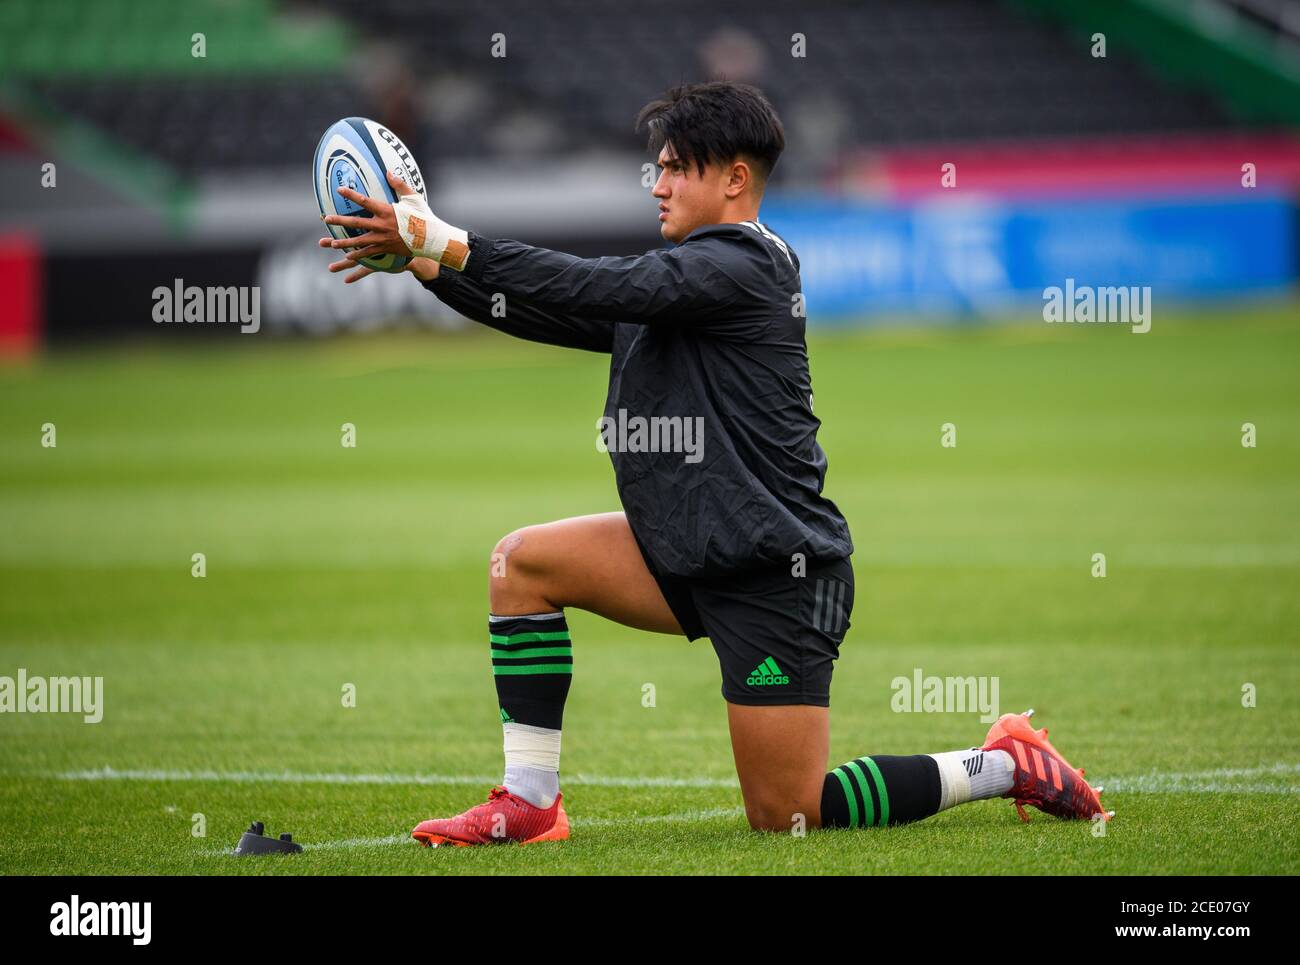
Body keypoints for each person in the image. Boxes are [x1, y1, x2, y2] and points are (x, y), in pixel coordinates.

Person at [318, 81, 1112, 845]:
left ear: (735, 178)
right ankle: (530, 802)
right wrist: (424, 265)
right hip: (689, 547)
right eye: (656, 166)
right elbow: (554, 308)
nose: (656, 182)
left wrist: (437, 236)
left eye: (674, 166)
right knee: (520, 565)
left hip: (776, 572)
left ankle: (1003, 764)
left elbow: (591, 283)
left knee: (789, 810)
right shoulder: (688, 279)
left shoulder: (748, 264)